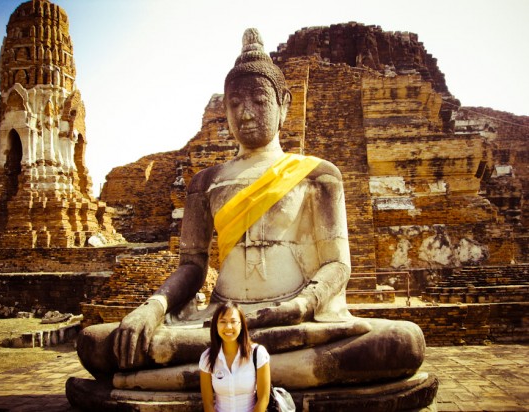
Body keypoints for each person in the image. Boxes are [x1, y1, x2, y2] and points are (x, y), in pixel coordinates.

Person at [77, 28, 425, 390]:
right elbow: (192, 267)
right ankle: (269, 371)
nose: (245, 114)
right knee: (98, 344)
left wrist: (303, 306)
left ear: (284, 104)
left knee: (402, 343)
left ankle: (192, 376)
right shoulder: (205, 182)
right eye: (235, 103)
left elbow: (338, 264)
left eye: (258, 100)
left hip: (295, 319)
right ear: (223, 108)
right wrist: (152, 308)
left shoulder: (319, 174)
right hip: (221, 319)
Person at [199, 301, 270, 412]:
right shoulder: (207, 358)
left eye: (233, 321)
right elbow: (207, 403)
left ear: (241, 325)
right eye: (223, 322)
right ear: (216, 325)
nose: (228, 327)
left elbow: (264, 398)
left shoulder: (258, 354)